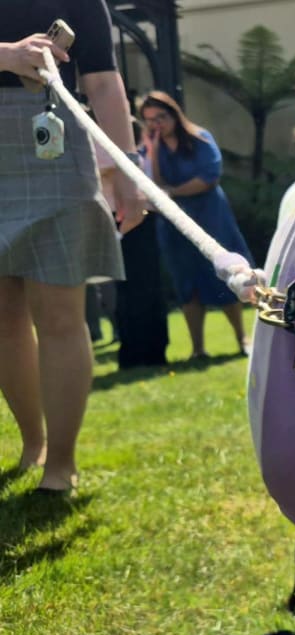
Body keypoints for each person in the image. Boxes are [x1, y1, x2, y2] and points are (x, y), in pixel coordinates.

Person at [0, 0, 146, 493]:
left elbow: (104, 82)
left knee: (62, 313)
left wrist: (128, 171)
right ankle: (32, 442)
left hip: (56, 143)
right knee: (3, 318)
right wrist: (6, 54)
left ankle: (60, 464)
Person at [139, 91, 252, 359]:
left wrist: (173, 192)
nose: (157, 124)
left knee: (225, 277)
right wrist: (153, 151)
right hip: (175, 225)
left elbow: (209, 177)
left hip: (211, 217)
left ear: (174, 114)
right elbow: (153, 184)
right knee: (186, 284)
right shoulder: (151, 148)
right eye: (150, 120)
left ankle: (241, 338)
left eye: (161, 117)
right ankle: (198, 349)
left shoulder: (200, 139)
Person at [100, 118, 169, 368]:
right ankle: (133, 351)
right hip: (117, 222)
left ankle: (151, 351)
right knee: (127, 291)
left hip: (139, 222)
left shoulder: (137, 157)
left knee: (144, 289)